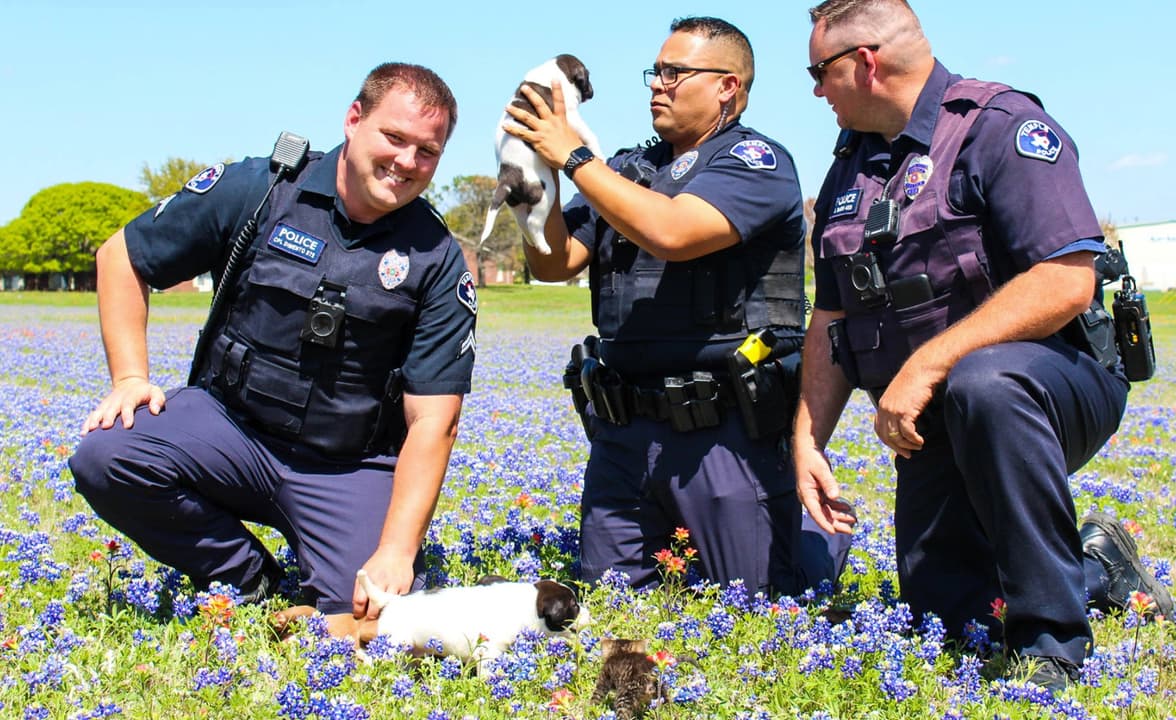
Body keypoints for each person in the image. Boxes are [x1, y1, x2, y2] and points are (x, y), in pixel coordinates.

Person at [793, 0, 1173, 691]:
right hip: (936, 414)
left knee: (986, 381)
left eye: (819, 72)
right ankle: (1098, 568)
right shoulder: (850, 163)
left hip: (1054, 383)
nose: (815, 91)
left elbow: (1067, 282)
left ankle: (1050, 645)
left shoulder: (1000, 129)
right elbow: (832, 314)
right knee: (948, 612)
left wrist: (928, 363)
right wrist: (807, 441)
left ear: (866, 63)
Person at [70, 63, 476, 620]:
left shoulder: (436, 256)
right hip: (230, 431)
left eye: (426, 152)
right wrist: (130, 378)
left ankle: (333, 575)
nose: (407, 161)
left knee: (373, 618)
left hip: (345, 463)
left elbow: (435, 420)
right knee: (107, 454)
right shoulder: (263, 188)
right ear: (354, 120)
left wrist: (396, 551)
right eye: (394, 137)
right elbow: (122, 255)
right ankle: (248, 579)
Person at [503, 16, 850, 596]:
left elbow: (672, 231)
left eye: (674, 72)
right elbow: (553, 264)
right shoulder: (625, 170)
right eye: (655, 72)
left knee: (758, 612)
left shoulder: (757, 163)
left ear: (727, 86)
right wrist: (527, 183)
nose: (657, 85)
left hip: (726, 432)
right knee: (615, 612)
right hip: (624, 430)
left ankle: (817, 546)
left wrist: (574, 157)